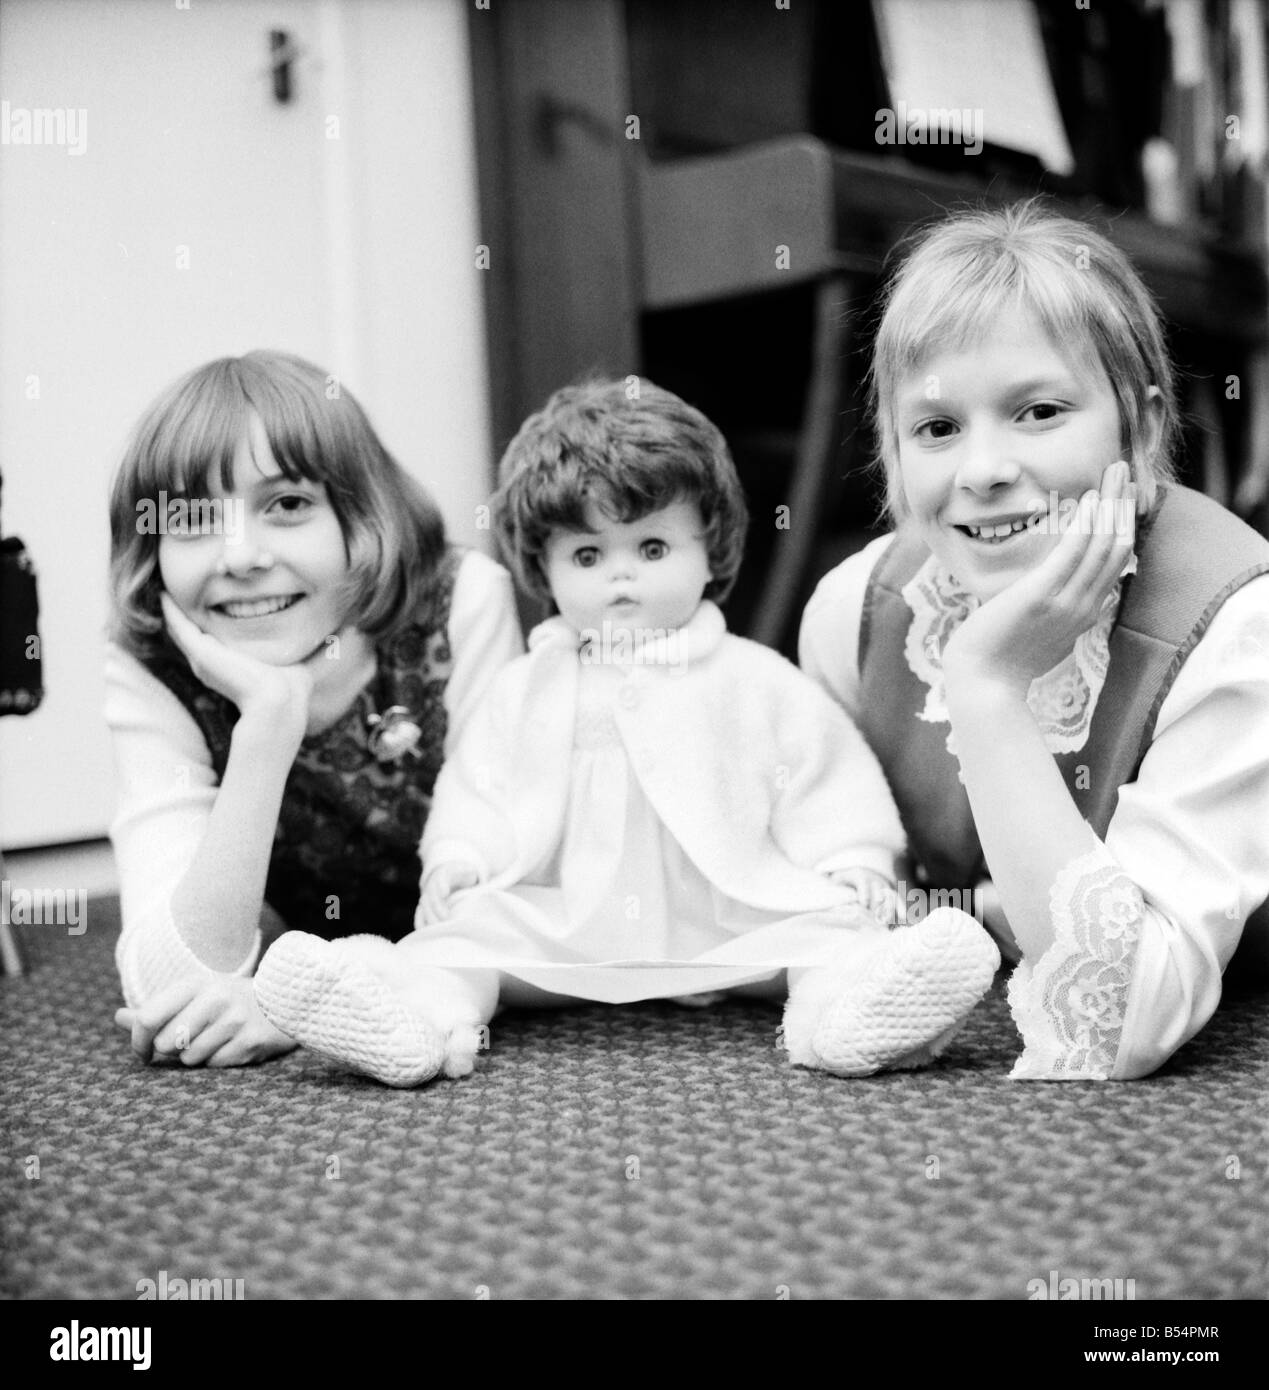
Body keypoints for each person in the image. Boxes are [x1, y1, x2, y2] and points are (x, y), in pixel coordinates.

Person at [253, 377, 1000, 1087]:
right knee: (461, 944)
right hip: (564, 923)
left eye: (651, 548)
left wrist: (853, 858)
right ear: (541, 571)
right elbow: (478, 783)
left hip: (727, 920)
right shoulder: (528, 686)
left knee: (832, 932)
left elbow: (821, 774)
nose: (621, 577)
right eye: (586, 555)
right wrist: (457, 858)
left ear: (711, 549)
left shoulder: (750, 677)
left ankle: (846, 1009)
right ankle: (412, 1014)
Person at [799, 201, 1269, 1081]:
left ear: (1140, 426)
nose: (981, 471)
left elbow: (1125, 1016)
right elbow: (813, 888)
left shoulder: (1237, 627)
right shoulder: (855, 609)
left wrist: (985, 688)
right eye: (936, 429)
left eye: (1038, 412)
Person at [105, 350, 523, 1067]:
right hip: (322, 945)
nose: (238, 557)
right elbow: (170, 993)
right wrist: (267, 724)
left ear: (359, 517)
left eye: (288, 505)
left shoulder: (460, 603)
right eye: (193, 520)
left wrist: (300, 1000)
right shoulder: (150, 660)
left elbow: (515, 899)